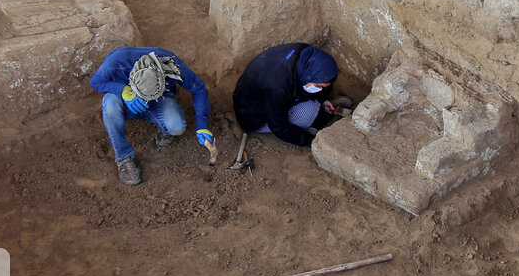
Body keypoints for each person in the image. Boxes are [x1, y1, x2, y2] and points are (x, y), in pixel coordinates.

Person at [90, 47, 213, 186]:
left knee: (177, 126)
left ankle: (164, 130)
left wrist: (202, 125)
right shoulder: (115, 64)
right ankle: (123, 158)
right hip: (126, 99)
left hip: (160, 99)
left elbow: (199, 88)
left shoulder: (172, 66)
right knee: (110, 104)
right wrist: (123, 90)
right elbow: (95, 82)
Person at [233, 43, 340, 148]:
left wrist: (322, 99)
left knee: (313, 103)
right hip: (254, 117)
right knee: (311, 112)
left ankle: (321, 110)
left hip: (266, 96)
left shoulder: (305, 54)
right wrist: (310, 141)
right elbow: (278, 126)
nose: (318, 89)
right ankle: (323, 116)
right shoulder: (278, 86)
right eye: (317, 85)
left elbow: (322, 79)